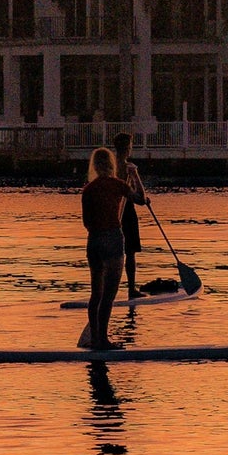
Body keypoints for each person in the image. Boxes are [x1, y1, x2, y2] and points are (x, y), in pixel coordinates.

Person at [79, 145, 143, 351]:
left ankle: (96, 338)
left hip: (94, 241)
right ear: (111, 165)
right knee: (109, 295)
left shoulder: (88, 189)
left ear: (95, 166)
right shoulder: (118, 185)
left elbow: (86, 222)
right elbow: (141, 199)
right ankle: (103, 340)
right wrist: (135, 175)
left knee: (95, 293)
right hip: (112, 239)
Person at [113, 131, 149, 298]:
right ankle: (131, 289)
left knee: (113, 254)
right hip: (126, 212)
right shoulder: (128, 168)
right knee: (130, 252)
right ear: (127, 148)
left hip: (111, 211)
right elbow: (141, 199)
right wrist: (136, 175)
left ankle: (108, 290)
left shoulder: (109, 166)